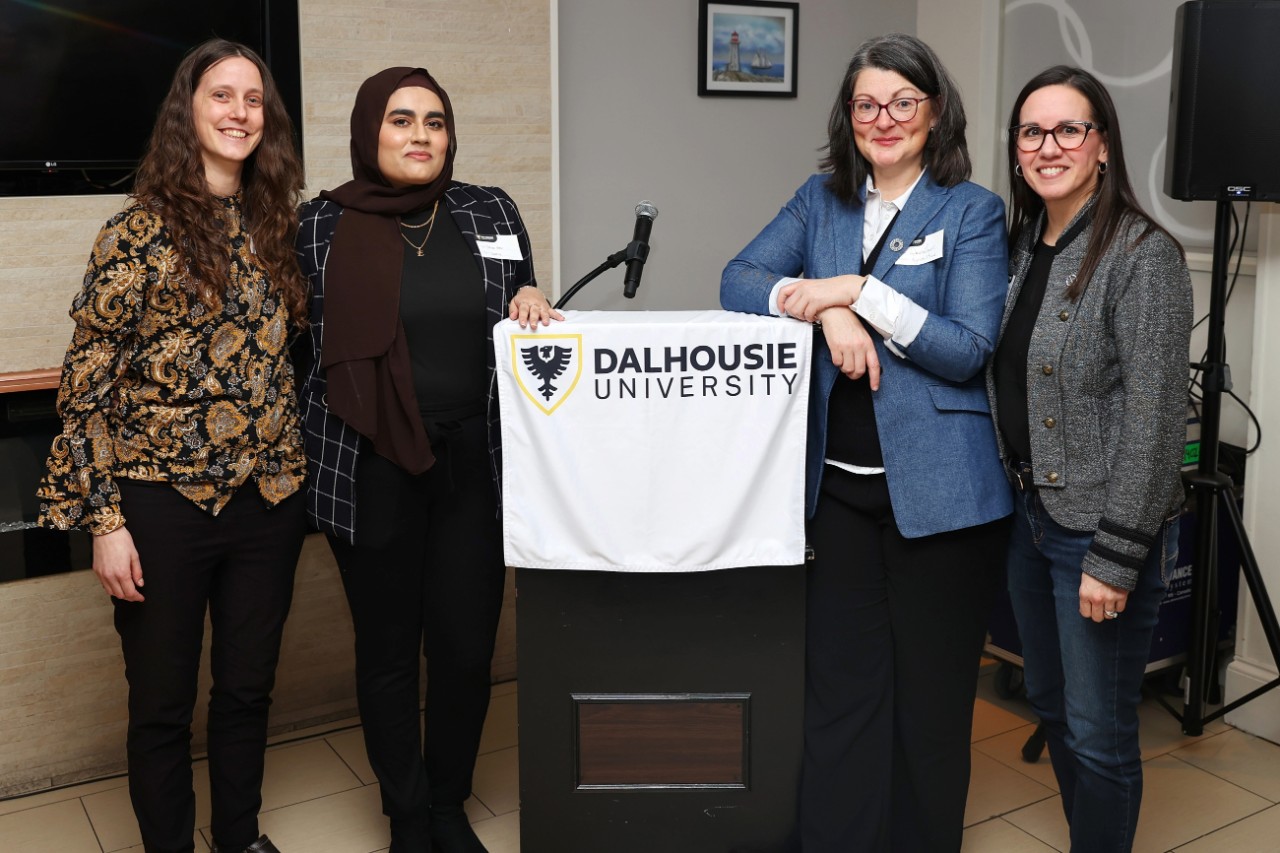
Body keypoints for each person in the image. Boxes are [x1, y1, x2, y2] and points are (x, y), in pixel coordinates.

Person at [721, 33, 1012, 852]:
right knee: (840, 694)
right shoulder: (823, 201)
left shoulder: (971, 210)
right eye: (866, 104)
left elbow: (965, 348)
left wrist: (860, 291)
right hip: (839, 496)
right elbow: (737, 278)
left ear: (935, 111)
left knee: (930, 703)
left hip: (945, 501)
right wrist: (825, 309)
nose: (883, 119)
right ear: (847, 118)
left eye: (902, 102)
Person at [37, 39, 308, 853]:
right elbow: (83, 388)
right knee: (160, 706)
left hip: (268, 499)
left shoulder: (276, 227)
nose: (239, 113)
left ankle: (239, 835)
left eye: (253, 99)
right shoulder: (135, 231)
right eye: (221, 96)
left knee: (247, 689)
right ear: (187, 111)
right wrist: (105, 521)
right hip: (159, 508)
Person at [295, 66, 558, 853]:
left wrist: (536, 301)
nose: (420, 136)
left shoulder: (489, 210)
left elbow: (522, 307)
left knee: (466, 648)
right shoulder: (319, 225)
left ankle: (448, 804)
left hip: (474, 463)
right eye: (402, 120)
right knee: (385, 653)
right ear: (370, 130)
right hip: (369, 464)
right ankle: (407, 817)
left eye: (435, 122)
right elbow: (300, 349)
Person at [990, 66, 1192, 852]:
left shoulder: (1146, 256)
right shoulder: (1020, 245)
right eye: (1032, 131)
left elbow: (1153, 417)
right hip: (1029, 517)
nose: (1049, 146)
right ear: (1015, 151)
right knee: (1048, 697)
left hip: (1098, 533)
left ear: (1101, 144)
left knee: (1099, 729)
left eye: (1069, 129)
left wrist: (1114, 556)